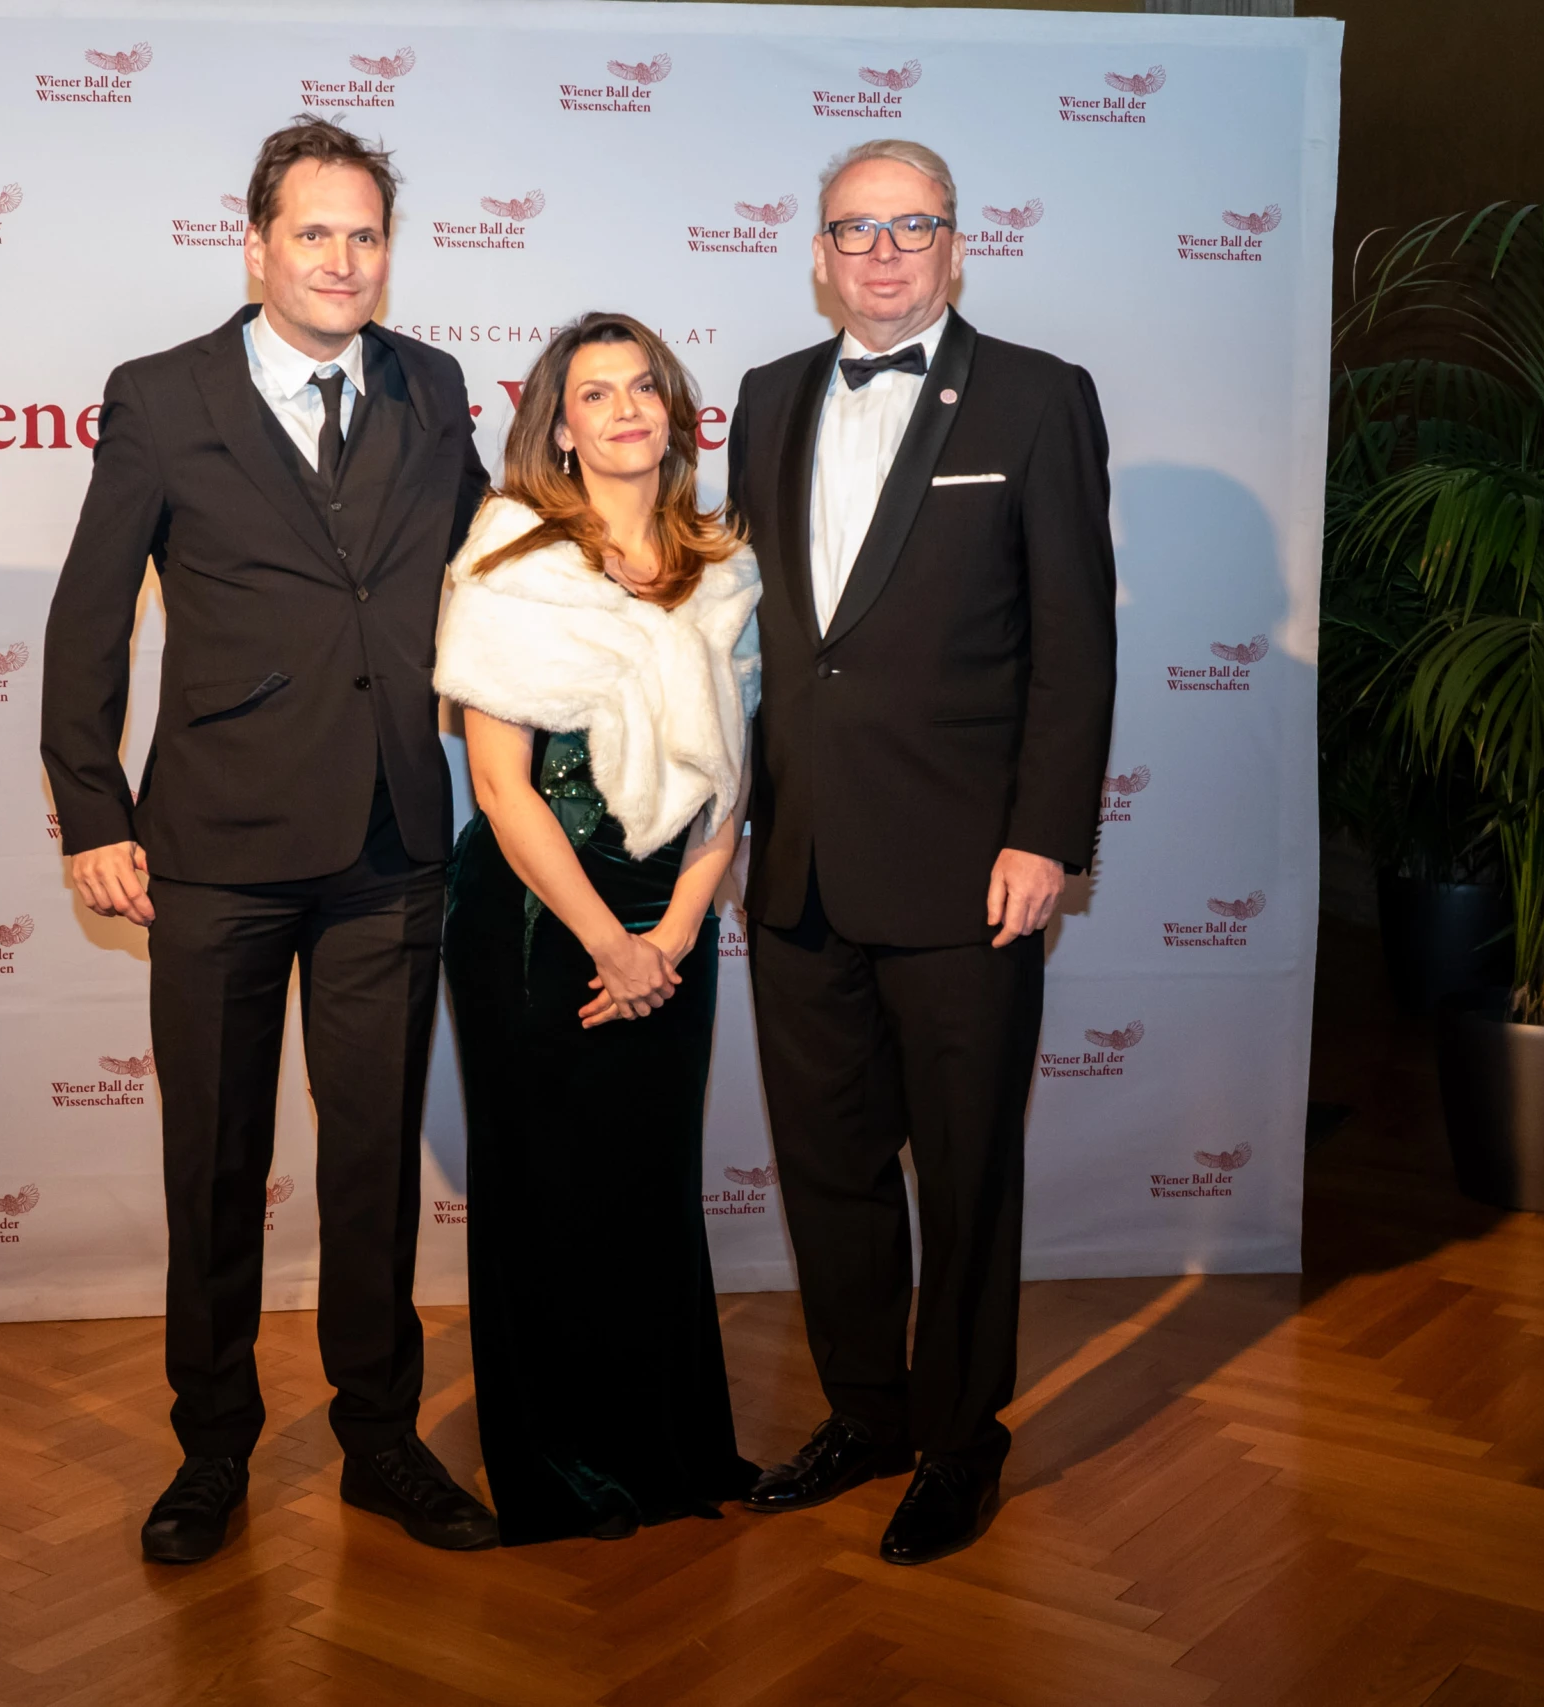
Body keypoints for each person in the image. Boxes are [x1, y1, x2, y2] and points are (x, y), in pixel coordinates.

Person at [41, 116, 497, 1565]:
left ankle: (381, 1440)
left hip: (389, 842)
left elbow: (490, 567)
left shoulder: (433, 385)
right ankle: (213, 1448)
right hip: (216, 847)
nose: (343, 260)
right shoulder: (161, 394)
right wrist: (92, 811)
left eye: (365, 235)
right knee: (216, 1162)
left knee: (370, 1164)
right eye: (315, 233)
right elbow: (89, 614)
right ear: (255, 246)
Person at [725, 139, 1117, 1565]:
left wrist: (1044, 836)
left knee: (962, 1173)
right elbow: (758, 635)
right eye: (855, 229)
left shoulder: (1036, 395)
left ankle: (960, 1439)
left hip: (967, 872)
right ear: (817, 253)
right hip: (799, 864)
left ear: (957, 244)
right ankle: (867, 1413)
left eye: (911, 226)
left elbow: (1075, 638)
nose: (882, 253)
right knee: (827, 1166)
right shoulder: (766, 397)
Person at [433, 312, 763, 1544]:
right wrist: (608, 942)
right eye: (595, 394)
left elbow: (733, 781)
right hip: (535, 914)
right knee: (547, 1188)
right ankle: (559, 1467)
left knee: (650, 1181)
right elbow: (501, 786)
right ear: (558, 430)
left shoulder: (722, 565)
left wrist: (671, 932)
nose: (625, 409)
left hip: (673, 915)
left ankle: (668, 1449)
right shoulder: (511, 559)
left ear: (674, 414)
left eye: (644, 388)